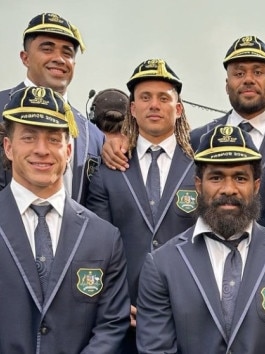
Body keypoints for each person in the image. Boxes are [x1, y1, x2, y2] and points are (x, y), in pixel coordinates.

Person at [100, 35, 265, 244]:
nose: (249, 79)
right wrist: (114, 142)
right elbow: (156, 142)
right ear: (227, 85)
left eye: (258, 72)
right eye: (239, 73)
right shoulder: (199, 140)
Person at [137, 124, 265, 353]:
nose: (228, 189)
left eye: (240, 178)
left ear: (256, 186)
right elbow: (156, 350)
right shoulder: (162, 265)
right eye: (216, 177)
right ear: (198, 185)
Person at [0, 86, 129, 353]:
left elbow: (111, 326)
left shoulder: (103, 237)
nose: (42, 150)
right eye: (28, 137)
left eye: (54, 139)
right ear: (8, 147)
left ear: (69, 150)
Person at [86, 58, 197, 354]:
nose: (154, 105)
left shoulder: (202, 169)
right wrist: (116, 302)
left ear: (179, 108)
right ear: (132, 109)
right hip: (126, 320)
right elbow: (98, 248)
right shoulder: (109, 169)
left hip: (192, 317)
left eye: (164, 98)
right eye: (145, 97)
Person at [0, 12, 104, 204]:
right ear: (25, 58)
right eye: (47, 49)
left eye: (67, 53)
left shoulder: (93, 135)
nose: (59, 58)